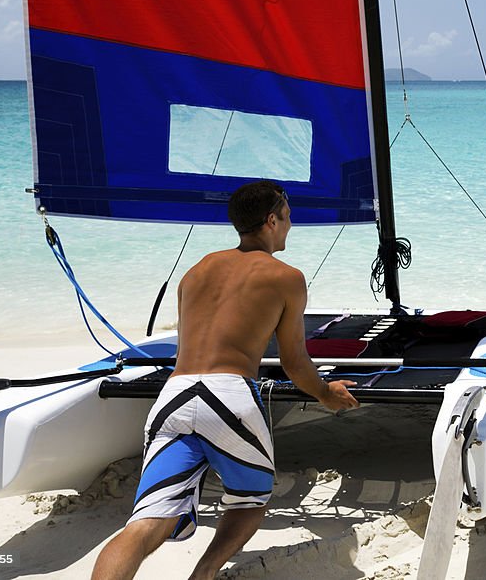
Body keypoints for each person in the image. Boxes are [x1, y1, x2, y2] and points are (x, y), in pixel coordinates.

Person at [92, 180, 359, 580]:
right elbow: (293, 362)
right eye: (287, 215)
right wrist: (325, 392)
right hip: (229, 394)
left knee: (147, 523)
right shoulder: (286, 276)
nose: (291, 223)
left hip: (175, 395)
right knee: (250, 500)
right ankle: (204, 574)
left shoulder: (196, 272)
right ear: (271, 220)